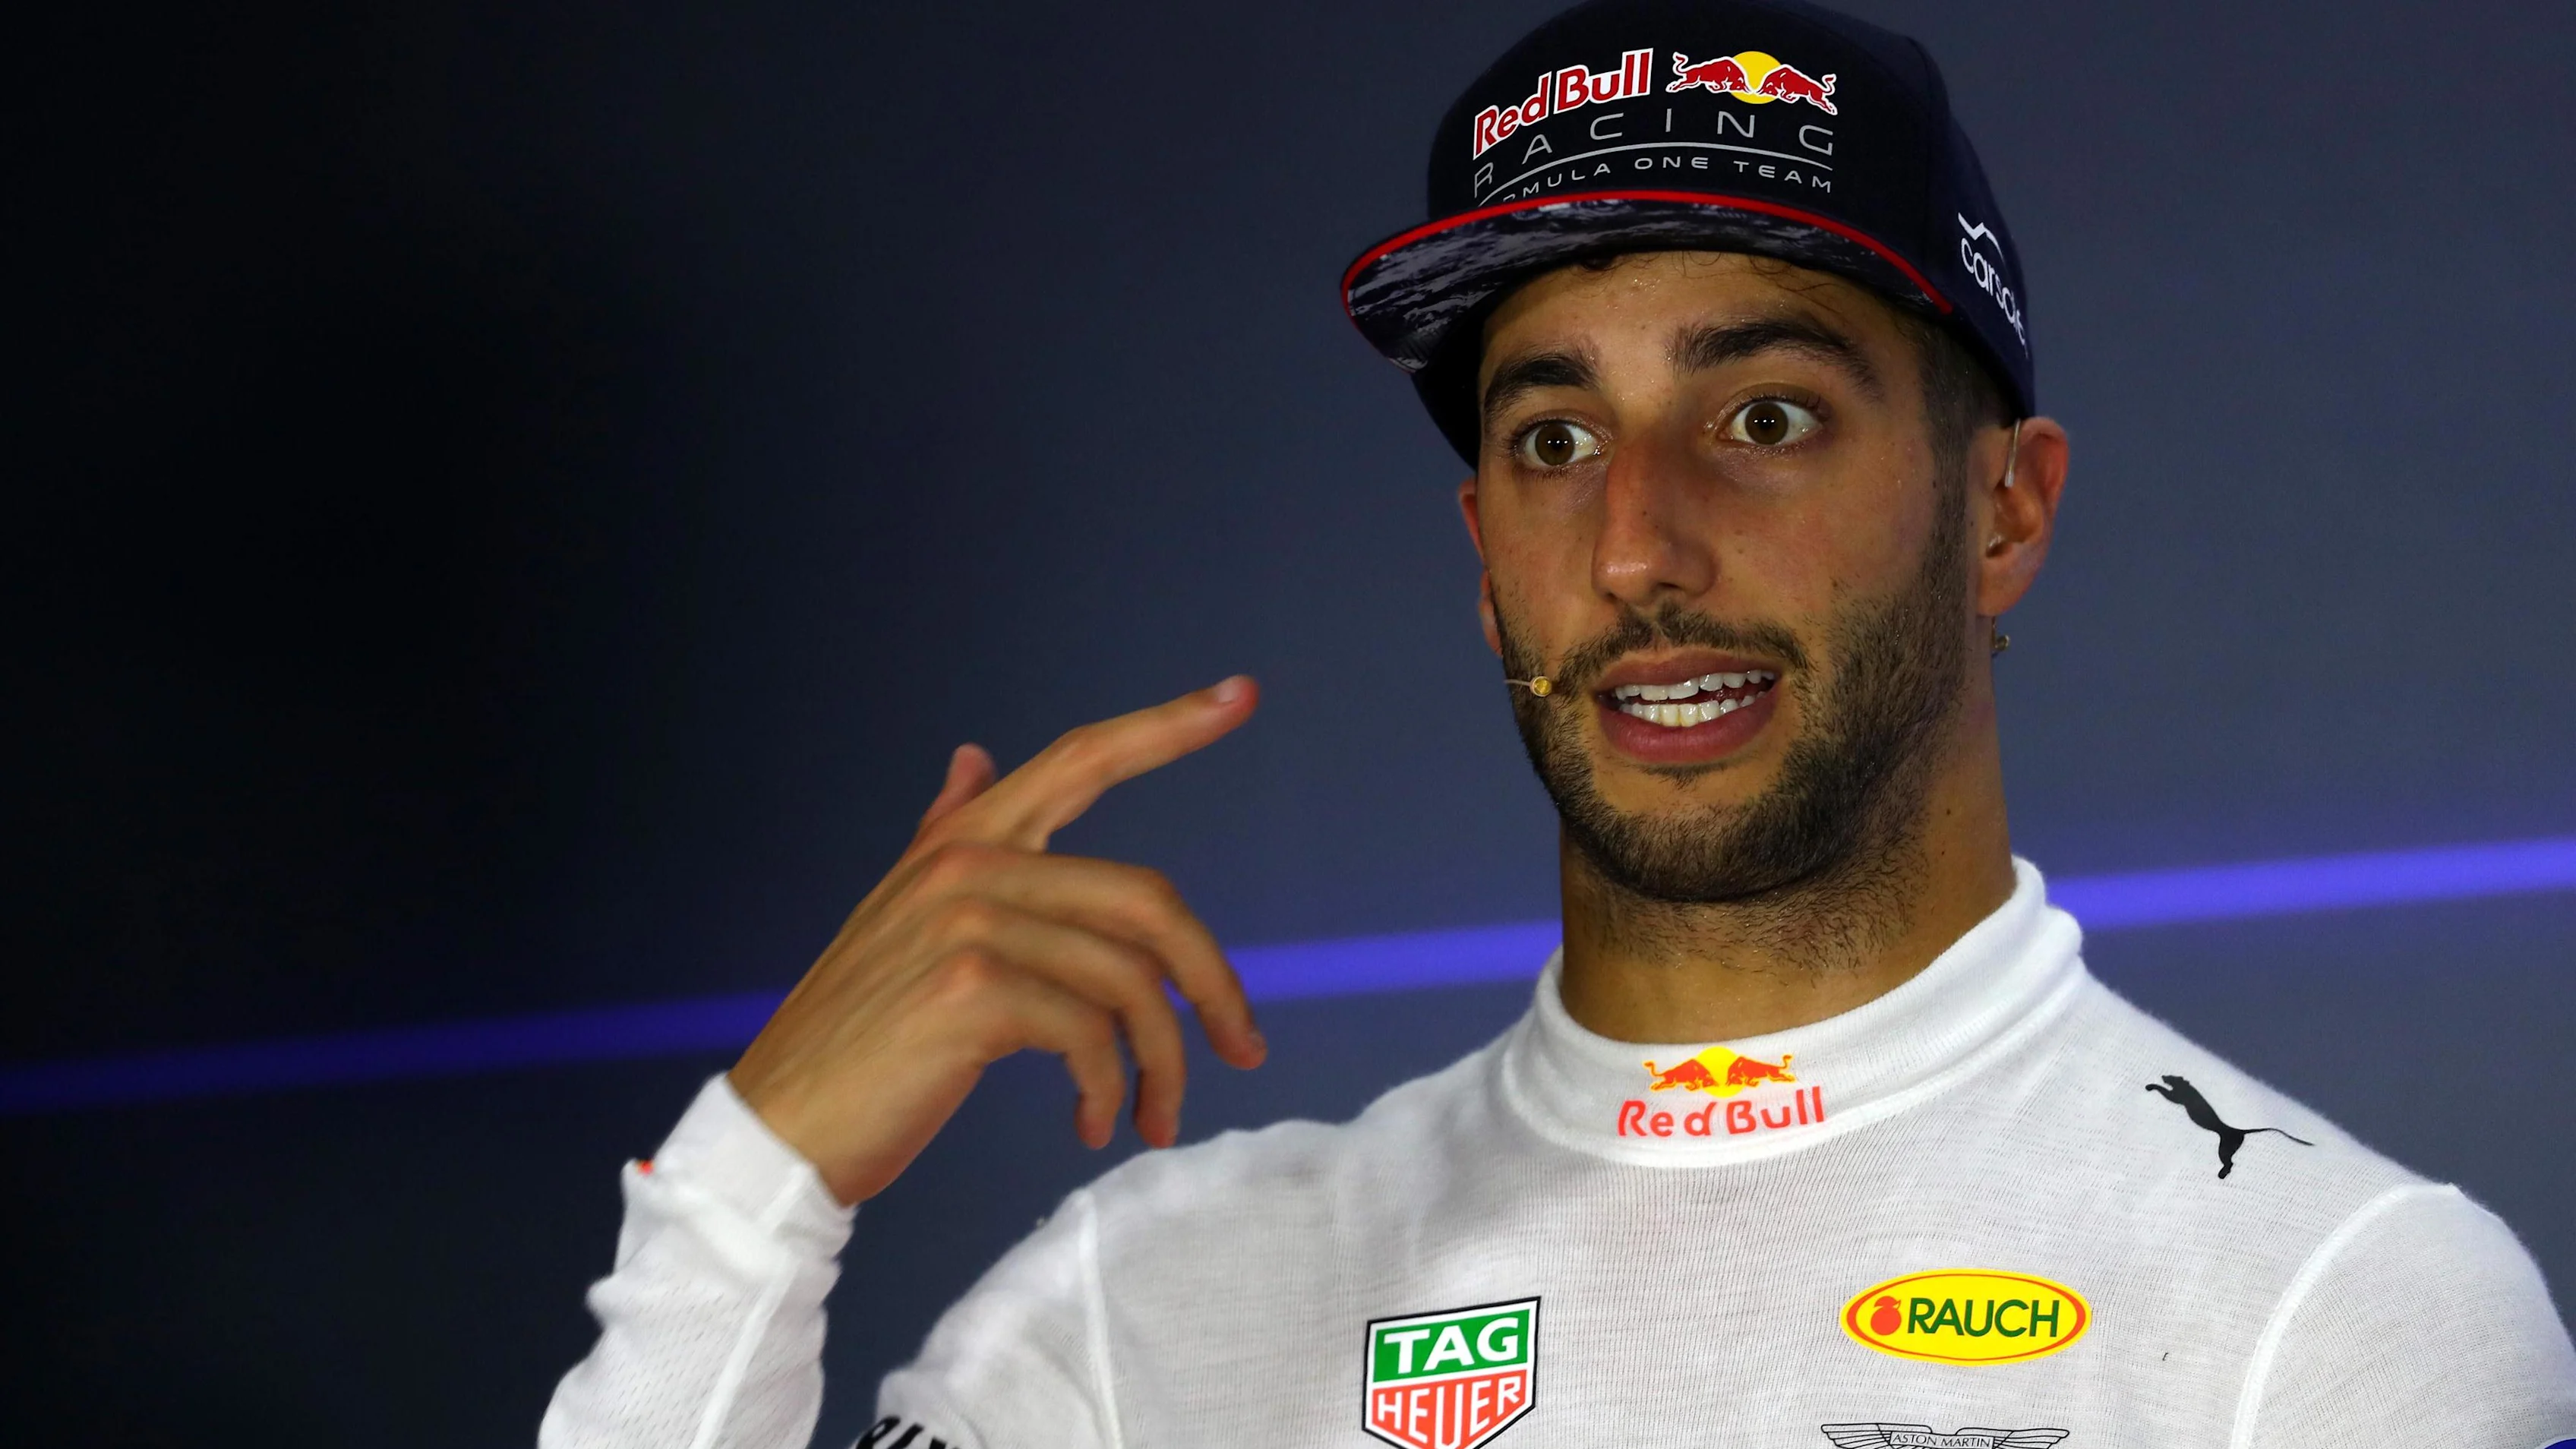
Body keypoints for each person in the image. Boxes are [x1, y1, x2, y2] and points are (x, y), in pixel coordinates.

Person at [541, 1, 2576, 1444]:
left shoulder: (2343, 1307)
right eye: (1552, 434)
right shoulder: (1144, 1307)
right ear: (1479, 541)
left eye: (1764, 416)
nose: (1636, 544)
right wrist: (753, 1187)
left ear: (2004, 507)